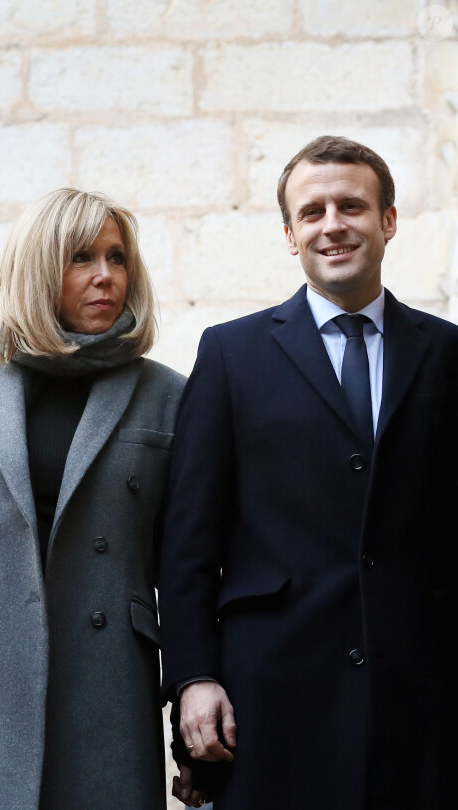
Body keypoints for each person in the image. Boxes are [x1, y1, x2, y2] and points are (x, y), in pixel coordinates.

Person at [158, 135, 458, 809]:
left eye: (351, 206)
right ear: (290, 235)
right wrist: (192, 679)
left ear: (388, 220)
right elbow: (187, 544)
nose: (333, 225)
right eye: (312, 212)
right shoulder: (231, 354)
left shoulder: (446, 352)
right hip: (269, 702)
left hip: (419, 702)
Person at [0, 188, 185, 810]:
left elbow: (185, 569)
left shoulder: (168, 394)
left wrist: (190, 693)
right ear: (38, 269)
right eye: (81, 258)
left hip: (105, 690)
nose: (106, 275)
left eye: (117, 258)